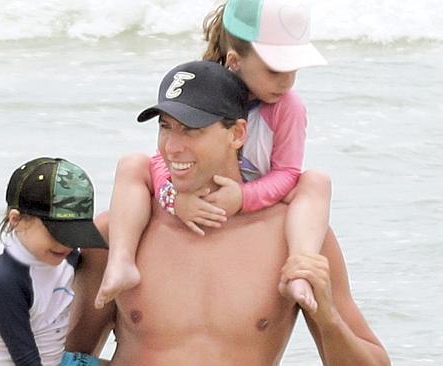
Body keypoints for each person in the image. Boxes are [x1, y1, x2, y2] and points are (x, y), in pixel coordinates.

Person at [69, 60, 389, 365]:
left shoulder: (296, 236)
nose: (171, 147)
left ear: (237, 134)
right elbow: (71, 355)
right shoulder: (119, 232)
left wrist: (328, 318)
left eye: (191, 130)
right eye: (166, 127)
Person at [95, 0, 332, 313]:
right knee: (132, 165)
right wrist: (174, 199)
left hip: (253, 195)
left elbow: (287, 173)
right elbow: (164, 158)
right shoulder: (201, 88)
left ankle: (299, 269)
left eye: (293, 70)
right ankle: (121, 261)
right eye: (276, 70)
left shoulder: (288, 107)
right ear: (234, 60)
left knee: (316, 182)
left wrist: (244, 198)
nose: (286, 82)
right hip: (196, 189)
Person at [0, 157, 109, 366]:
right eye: (56, 233)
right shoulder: (4, 280)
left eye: (73, 234)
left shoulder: (62, 253)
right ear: (16, 220)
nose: (66, 244)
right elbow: (26, 359)